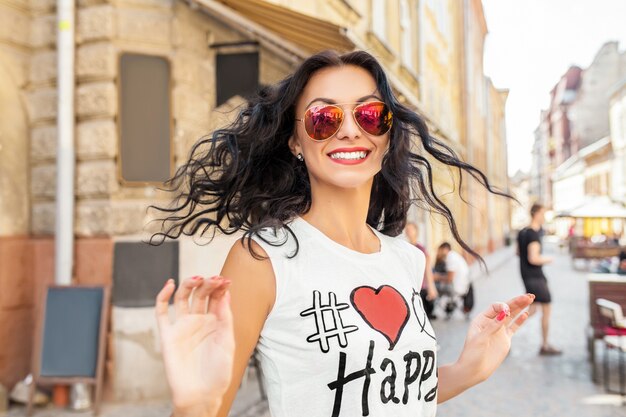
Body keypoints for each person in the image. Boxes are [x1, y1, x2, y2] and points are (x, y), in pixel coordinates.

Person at [152, 50, 534, 417]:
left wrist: (469, 369)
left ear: (387, 136)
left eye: (369, 115)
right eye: (324, 118)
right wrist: (193, 407)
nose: (350, 130)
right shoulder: (264, 259)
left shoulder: (405, 258)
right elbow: (208, 407)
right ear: (295, 141)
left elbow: (393, 395)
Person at [516, 203, 561, 355]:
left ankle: (505, 331)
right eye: (542, 214)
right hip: (536, 276)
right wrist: (549, 259)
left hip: (526, 275)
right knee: (546, 308)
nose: (544, 217)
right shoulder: (533, 234)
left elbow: (517, 252)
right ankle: (545, 345)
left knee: (533, 309)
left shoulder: (522, 232)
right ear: (536, 214)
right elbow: (534, 258)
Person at [404, 222, 438, 318]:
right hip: (410, 285)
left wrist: (431, 287)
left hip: (421, 286)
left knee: (422, 315)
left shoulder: (421, 249)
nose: (408, 232)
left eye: (410, 230)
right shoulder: (405, 248)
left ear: (416, 232)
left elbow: (428, 269)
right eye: (407, 230)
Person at [433, 242, 473, 317]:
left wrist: (437, 277)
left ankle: (432, 310)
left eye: (440, 250)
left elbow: (449, 279)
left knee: (433, 287)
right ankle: (446, 306)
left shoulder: (450, 257)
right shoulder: (454, 255)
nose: (439, 253)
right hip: (463, 287)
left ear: (445, 249)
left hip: (456, 288)